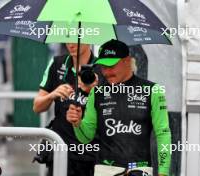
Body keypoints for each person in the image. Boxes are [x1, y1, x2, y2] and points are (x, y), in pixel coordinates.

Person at [67, 39, 172, 176]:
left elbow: (163, 134)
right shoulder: (97, 92)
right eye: (103, 67)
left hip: (139, 170)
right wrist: (77, 123)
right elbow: (86, 137)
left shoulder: (153, 90)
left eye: (111, 66)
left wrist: (163, 172)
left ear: (126, 61)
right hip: (105, 170)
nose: (106, 72)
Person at [33, 43, 100, 176]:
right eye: (68, 37)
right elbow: (37, 107)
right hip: (61, 151)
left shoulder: (102, 67)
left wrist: (94, 91)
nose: (71, 43)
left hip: (93, 153)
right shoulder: (57, 63)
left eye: (77, 37)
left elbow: (113, 109)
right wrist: (53, 94)